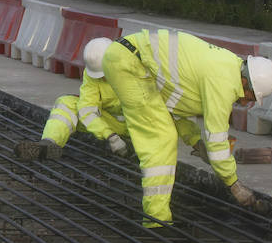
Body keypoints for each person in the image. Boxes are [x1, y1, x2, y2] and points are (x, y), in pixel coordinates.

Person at [101, 29, 272, 228]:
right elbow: (217, 139)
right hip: (130, 64)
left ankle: (156, 217)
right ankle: (156, 223)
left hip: (128, 59)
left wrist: (195, 141)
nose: (247, 103)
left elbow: (173, 105)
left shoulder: (225, 67)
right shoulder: (224, 83)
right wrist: (234, 185)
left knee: (162, 129)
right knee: (161, 140)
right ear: (246, 83)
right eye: (251, 98)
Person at [14, 37, 204, 161]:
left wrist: (195, 140)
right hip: (113, 127)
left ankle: (137, 148)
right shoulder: (92, 75)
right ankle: (49, 143)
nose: (103, 79)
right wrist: (109, 136)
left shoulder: (139, 70)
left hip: (143, 127)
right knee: (67, 102)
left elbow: (171, 108)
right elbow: (87, 108)